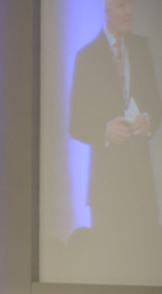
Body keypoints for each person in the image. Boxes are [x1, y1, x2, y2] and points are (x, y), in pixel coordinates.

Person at [69, 0, 161, 237]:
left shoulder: (141, 48)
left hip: (142, 183)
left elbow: (156, 105)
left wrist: (148, 120)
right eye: (122, 5)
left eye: (131, 5)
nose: (130, 11)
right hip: (106, 187)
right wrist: (105, 131)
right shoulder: (87, 56)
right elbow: (75, 124)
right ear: (107, 11)